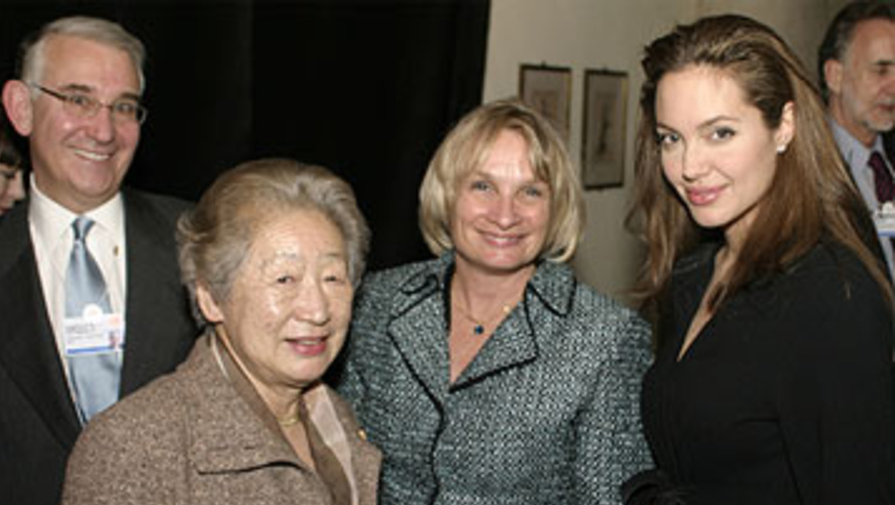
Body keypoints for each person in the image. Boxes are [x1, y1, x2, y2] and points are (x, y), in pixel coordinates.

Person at [623, 14, 895, 505]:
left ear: (784, 126)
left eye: (720, 133)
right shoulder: (694, 273)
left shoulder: (831, 295)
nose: (689, 167)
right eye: (671, 138)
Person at [334, 99, 652, 505]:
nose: (505, 215)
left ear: (556, 208)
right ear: (448, 194)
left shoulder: (606, 340)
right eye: (483, 186)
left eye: (530, 192)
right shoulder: (377, 303)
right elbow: (338, 463)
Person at [61, 158, 380, 505]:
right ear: (212, 298)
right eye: (284, 279)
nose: (317, 310)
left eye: (332, 278)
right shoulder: (132, 448)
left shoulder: (340, 421)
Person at [0, 16, 197, 505]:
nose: (104, 131)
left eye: (123, 107)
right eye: (78, 99)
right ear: (21, 107)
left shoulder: (202, 240)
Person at [818, 1, 895, 274]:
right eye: (881, 70)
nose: (893, 86)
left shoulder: (887, 160)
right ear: (835, 76)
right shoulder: (804, 169)